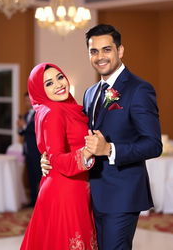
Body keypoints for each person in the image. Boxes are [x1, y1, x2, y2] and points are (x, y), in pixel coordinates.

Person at [41, 24, 162, 250]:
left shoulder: (139, 89)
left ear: (120, 50)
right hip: (89, 194)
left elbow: (153, 145)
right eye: (93, 51)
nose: (100, 57)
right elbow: (78, 137)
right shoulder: (90, 92)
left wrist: (110, 150)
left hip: (122, 194)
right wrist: (49, 158)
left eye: (106, 49)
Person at [20, 63, 98, 249]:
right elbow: (55, 158)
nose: (58, 84)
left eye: (60, 77)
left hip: (72, 186)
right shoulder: (53, 112)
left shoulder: (67, 109)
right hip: (66, 189)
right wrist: (89, 151)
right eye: (48, 83)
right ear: (39, 90)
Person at [17, 92, 42, 207]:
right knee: (31, 177)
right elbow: (23, 133)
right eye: (26, 100)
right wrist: (20, 127)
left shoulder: (39, 114)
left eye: (28, 100)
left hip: (37, 151)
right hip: (27, 151)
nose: (27, 103)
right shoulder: (26, 114)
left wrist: (24, 126)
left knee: (39, 177)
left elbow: (36, 131)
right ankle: (32, 201)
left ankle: (41, 201)